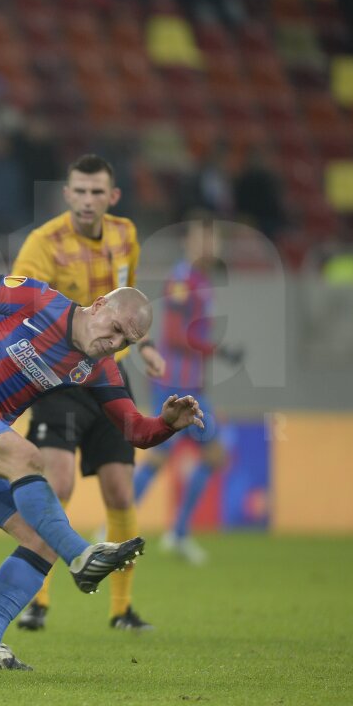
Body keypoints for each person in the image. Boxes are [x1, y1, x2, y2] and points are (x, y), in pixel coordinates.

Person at [0, 275, 203, 669]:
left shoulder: (100, 369)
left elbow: (134, 430)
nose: (115, 343)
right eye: (116, 328)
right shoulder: (37, 299)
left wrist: (167, 423)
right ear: (99, 304)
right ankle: (81, 556)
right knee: (29, 458)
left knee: (42, 538)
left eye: (126, 343)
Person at [10, 154, 167, 632]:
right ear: (66, 193)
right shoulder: (43, 244)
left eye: (96, 192)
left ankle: (121, 609)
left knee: (120, 491)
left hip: (109, 378)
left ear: (112, 197)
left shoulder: (125, 236)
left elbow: (130, 302)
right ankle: (37, 599)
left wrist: (147, 347)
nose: (86, 200)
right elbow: (19, 306)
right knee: (57, 486)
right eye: (79, 190)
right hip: (58, 379)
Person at [134, 220, 242, 564]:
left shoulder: (201, 281)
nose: (208, 246)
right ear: (188, 243)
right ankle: (118, 528)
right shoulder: (182, 279)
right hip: (172, 383)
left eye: (212, 240)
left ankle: (177, 533)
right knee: (161, 456)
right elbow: (176, 334)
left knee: (213, 456)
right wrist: (217, 350)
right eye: (201, 239)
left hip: (191, 385)